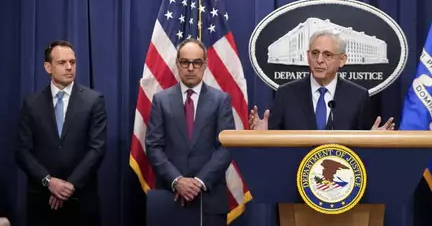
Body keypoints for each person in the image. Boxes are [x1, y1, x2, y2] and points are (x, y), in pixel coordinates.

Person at [15, 40, 107, 226]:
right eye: (62, 63)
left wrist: (69, 186)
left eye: (72, 62)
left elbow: (97, 149)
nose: (69, 67)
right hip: (42, 201)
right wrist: (49, 182)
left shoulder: (93, 100)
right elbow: (22, 151)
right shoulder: (31, 104)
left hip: (81, 200)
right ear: (48, 67)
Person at [145, 39, 235, 226]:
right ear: (177, 64)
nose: (191, 68)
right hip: (171, 197)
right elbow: (154, 146)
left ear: (205, 64)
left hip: (210, 200)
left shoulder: (221, 100)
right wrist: (177, 180)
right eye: (185, 62)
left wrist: (199, 182)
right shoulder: (161, 100)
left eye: (197, 62)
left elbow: (226, 147)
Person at [249, 28, 394, 131]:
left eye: (327, 55)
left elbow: (362, 148)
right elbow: (274, 144)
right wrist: (263, 135)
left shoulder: (358, 96)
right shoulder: (286, 94)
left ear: (342, 60)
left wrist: (374, 139)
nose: (319, 60)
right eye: (315, 53)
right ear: (308, 56)